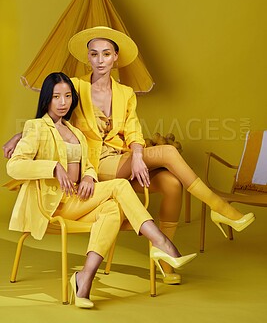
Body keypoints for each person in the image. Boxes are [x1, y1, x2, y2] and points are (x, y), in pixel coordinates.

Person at [3, 27, 255, 284]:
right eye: (94, 54)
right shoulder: (76, 86)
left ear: (115, 57)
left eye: (106, 54)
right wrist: (19, 135)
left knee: (171, 184)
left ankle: (165, 262)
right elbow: (52, 113)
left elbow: (134, 130)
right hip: (95, 163)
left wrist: (137, 155)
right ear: (87, 58)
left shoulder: (126, 93)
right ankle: (218, 207)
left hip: (121, 160)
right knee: (167, 151)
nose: (100, 60)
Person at [6, 72, 197, 309]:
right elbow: (13, 167)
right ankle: (162, 243)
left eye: (67, 96)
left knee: (112, 209)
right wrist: (53, 167)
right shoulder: (36, 127)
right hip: (54, 205)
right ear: (47, 99)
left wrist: (88, 176)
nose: (63, 102)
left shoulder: (76, 133)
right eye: (56, 97)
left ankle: (84, 278)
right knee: (120, 186)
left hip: (78, 199)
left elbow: (88, 164)